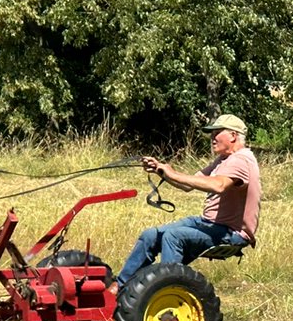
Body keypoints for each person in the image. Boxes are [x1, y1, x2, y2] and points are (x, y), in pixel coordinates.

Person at [110, 113, 261, 294]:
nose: (212, 137)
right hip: (209, 224)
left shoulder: (241, 159)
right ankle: (120, 286)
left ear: (233, 136)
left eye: (217, 132)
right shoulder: (223, 160)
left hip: (231, 232)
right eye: (211, 133)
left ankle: (166, 292)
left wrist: (172, 173)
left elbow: (219, 185)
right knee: (150, 236)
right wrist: (161, 170)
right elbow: (187, 185)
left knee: (174, 236)